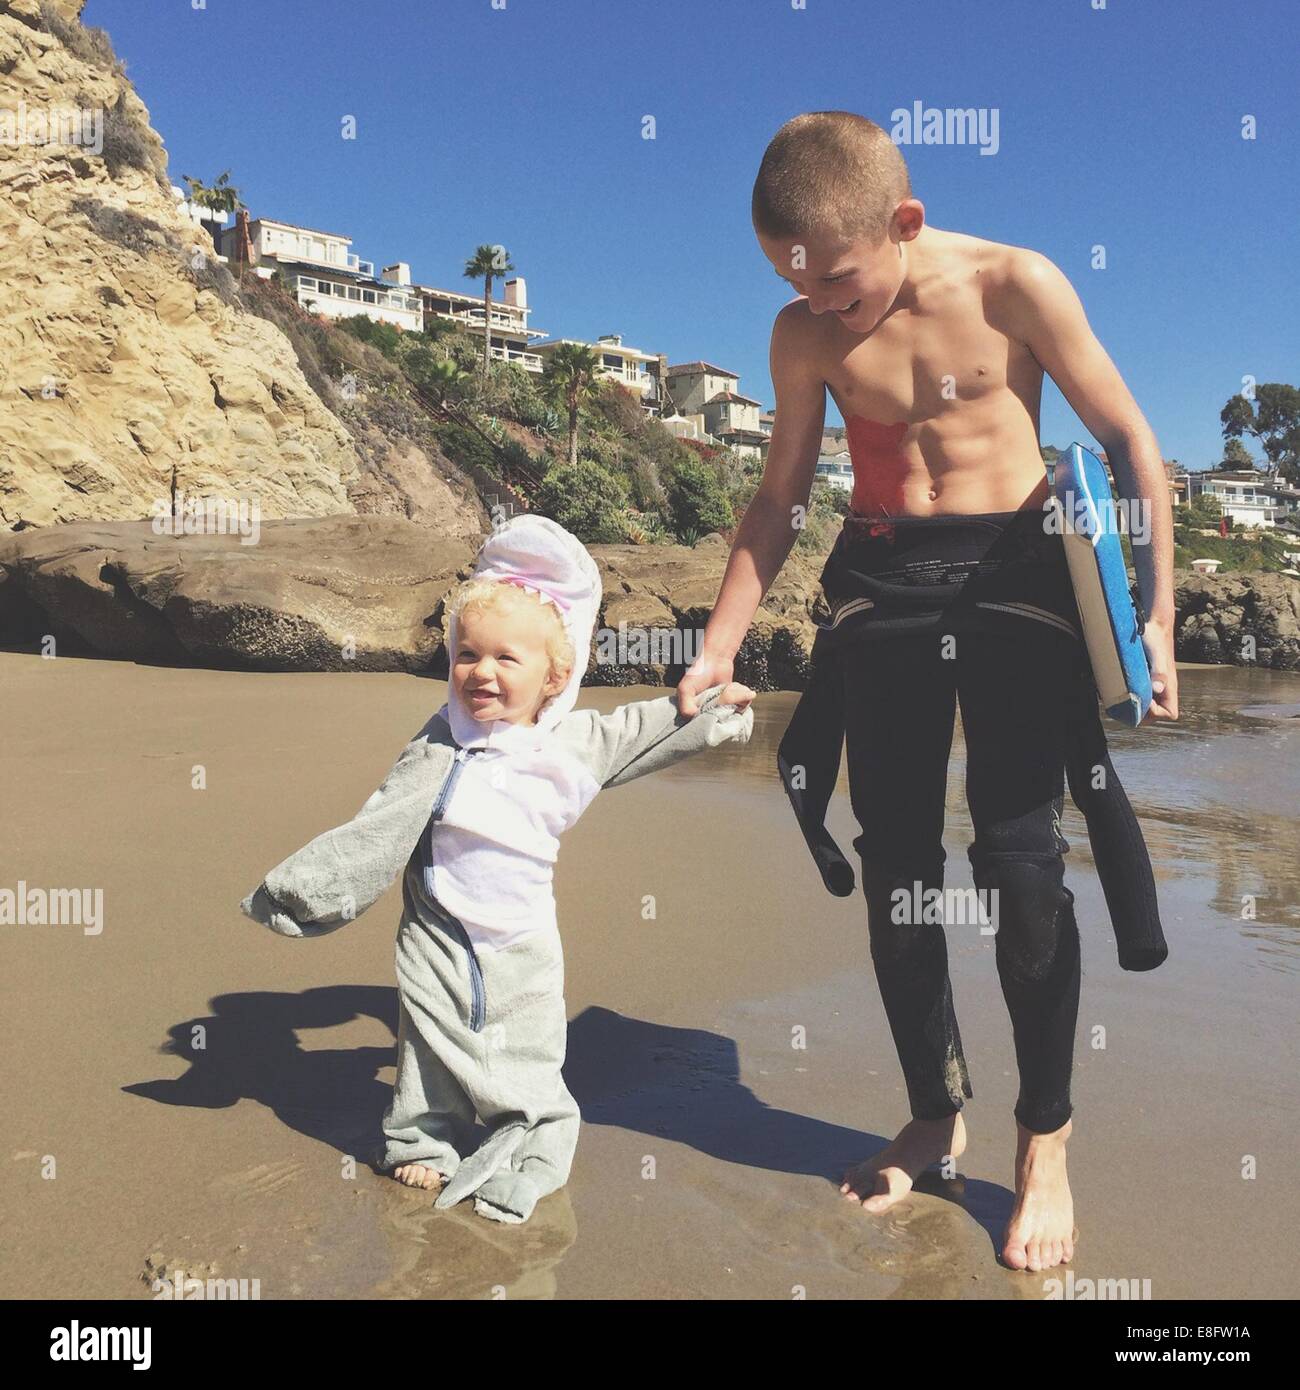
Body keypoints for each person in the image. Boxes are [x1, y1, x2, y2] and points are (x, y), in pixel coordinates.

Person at [676, 111, 1179, 1274]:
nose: (825, 309)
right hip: (885, 583)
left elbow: (1128, 441)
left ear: (902, 222)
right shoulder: (801, 333)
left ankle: (1042, 1136)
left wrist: (1151, 611)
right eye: (796, 284)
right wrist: (716, 644)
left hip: (1014, 576)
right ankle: (930, 1112)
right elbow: (778, 498)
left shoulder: (1014, 285)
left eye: (844, 285)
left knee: (1019, 865)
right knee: (898, 859)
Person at [241, 515, 755, 1224]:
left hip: (521, 934)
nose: (482, 672)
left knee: (529, 1047)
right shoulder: (440, 739)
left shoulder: (575, 743)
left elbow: (648, 729)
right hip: (436, 922)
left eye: (506, 659)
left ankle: (533, 1140)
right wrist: (317, 887)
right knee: (427, 1041)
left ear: (556, 673)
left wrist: (714, 713)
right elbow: (384, 820)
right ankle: (423, 1136)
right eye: (466, 655)